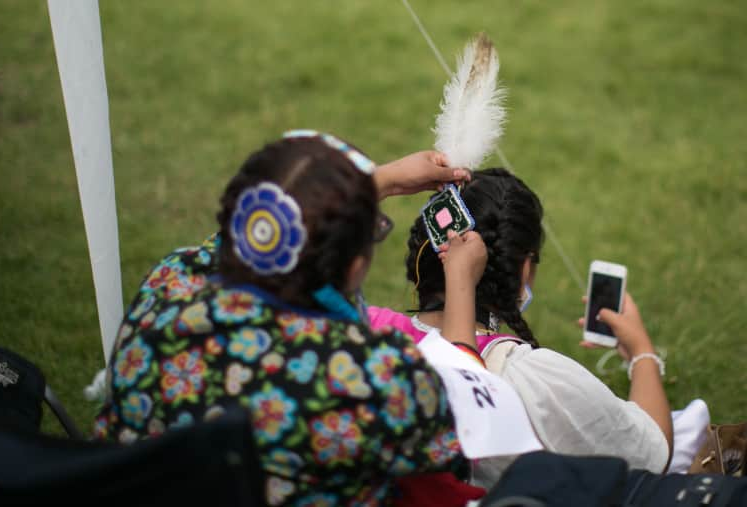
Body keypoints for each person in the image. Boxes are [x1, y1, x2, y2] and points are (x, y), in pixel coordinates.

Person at [94, 130, 489, 505]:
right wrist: (460, 284)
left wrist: (377, 182)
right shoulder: (369, 377)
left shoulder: (171, 279)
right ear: (353, 267)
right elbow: (467, 433)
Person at [368, 167, 673, 488]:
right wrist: (642, 354)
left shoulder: (369, 334)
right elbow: (649, 455)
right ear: (524, 266)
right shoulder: (533, 378)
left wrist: (382, 182)